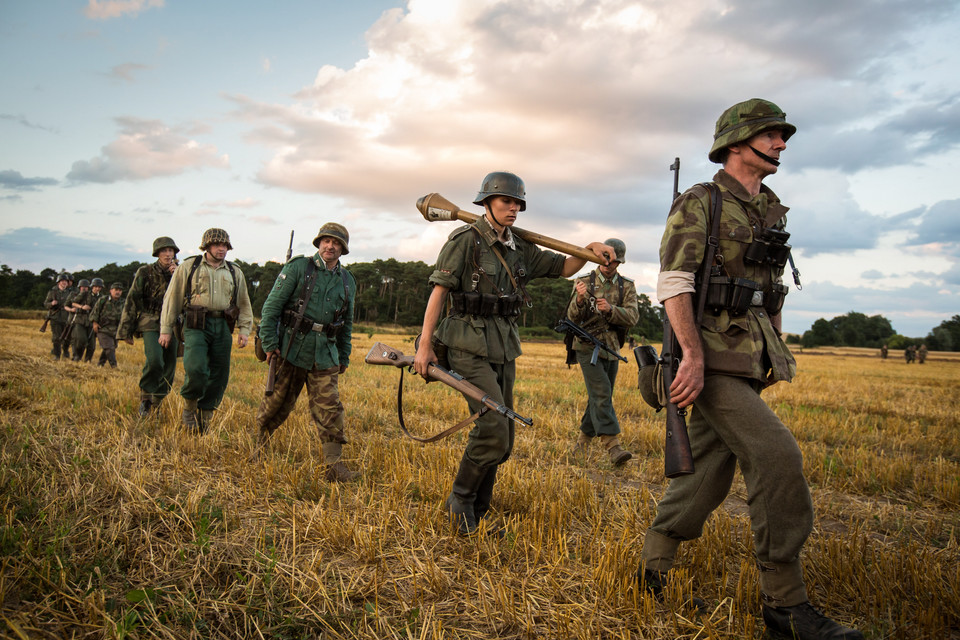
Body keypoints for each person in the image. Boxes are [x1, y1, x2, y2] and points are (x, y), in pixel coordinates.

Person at [636, 100, 863, 639]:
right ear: (736, 143)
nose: (782, 144)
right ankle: (784, 605)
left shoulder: (769, 208)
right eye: (771, 135)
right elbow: (674, 283)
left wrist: (775, 343)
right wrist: (690, 356)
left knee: (710, 468)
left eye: (783, 137)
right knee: (777, 456)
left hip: (748, 355)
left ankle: (653, 565)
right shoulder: (702, 202)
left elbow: (768, 288)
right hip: (710, 358)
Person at [414, 171, 614, 536]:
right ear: (486, 202)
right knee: (492, 427)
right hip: (467, 343)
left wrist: (590, 248)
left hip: (504, 345)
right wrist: (425, 344)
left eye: (518, 203)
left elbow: (563, 267)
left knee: (504, 437)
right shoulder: (465, 240)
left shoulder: (520, 247)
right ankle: (460, 503)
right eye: (507, 201)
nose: (514, 208)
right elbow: (438, 292)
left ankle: (479, 507)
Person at [255, 223, 358, 481]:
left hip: (325, 353)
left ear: (343, 249)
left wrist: (344, 355)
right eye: (326, 241)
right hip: (291, 347)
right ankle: (258, 446)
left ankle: (333, 465)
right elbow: (270, 308)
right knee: (277, 402)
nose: (330, 246)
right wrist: (269, 343)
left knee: (330, 407)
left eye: (336, 243)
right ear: (319, 243)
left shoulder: (347, 281)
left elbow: (348, 323)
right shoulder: (298, 268)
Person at [159, 228, 253, 433]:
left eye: (225, 246)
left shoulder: (235, 271)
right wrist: (165, 329)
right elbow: (172, 298)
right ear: (207, 246)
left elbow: (244, 302)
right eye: (218, 245)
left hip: (223, 326)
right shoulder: (189, 267)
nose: (222, 249)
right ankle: (190, 409)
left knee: (220, 374)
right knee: (196, 369)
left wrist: (244, 330)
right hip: (195, 324)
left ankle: (206, 415)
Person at [566, 238, 639, 466]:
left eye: (613, 261)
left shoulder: (626, 286)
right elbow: (571, 317)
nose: (608, 265)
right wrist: (579, 299)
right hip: (587, 347)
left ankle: (581, 444)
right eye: (605, 260)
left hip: (612, 348)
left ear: (619, 262)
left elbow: (633, 316)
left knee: (598, 396)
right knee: (601, 394)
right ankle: (612, 446)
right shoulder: (583, 281)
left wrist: (611, 309)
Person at [118, 237, 181, 416]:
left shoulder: (180, 271)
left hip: (173, 322)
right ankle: (146, 398)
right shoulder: (144, 272)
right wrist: (126, 330)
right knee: (155, 361)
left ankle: (157, 401)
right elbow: (132, 299)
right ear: (157, 253)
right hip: (150, 320)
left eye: (171, 251)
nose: (168, 254)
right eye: (164, 251)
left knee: (169, 366)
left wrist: (177, 275)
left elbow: (188, 295)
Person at [92, 282, 125, 368]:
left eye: (120, 290)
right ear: (111, 291)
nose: (118, 292)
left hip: (115, 329)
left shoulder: (123, 302)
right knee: (109, 348)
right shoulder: (103, 300)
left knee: (110, 347)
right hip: (103, 329)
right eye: (116, 290)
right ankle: (114, 366)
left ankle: (100, 364)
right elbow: (95, 312)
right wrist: (94, 323)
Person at [65, 279, 95, 362]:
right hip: (76, 319)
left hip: (88, 320)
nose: (84, 288)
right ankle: (76, 356)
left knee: (91, 343)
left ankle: (87, 360)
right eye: (82, 287)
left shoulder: (91, 295)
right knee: (78, 339)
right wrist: (72, 310)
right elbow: (66, 305)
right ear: (79, 287)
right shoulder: (73, 294)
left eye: (86, 287)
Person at [43, 273, 72, 360]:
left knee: (67, 338)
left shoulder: (70, 293)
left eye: (66, 281)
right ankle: (57, 355)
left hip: (67, 318)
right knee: (56, 338)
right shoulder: (52, 292)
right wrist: (51, 303)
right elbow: (45, 304)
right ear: (58, 282)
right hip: (55, 317)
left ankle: (66, 352)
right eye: (62, 281)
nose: (64, 283)